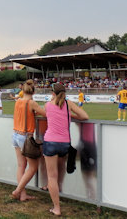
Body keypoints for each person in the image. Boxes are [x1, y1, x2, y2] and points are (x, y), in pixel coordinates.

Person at [43, 83, 88, 216]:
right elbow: (85, 116)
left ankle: (56, 208)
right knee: (59, 171)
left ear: (52, 93)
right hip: (64, 144)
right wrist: (71, 116)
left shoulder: (47, 104)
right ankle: (59, 191)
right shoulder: (69, 104)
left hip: (50, 142)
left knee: (52, 177)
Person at [11, 80, 46, 201]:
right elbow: (45, 114)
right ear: (34, 91)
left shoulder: (18, 102)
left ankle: (23, 195)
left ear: (23, 90)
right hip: (25, 137)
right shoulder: (32, 103)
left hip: (15, 134)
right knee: (33, 167)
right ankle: (18, 191)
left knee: (21, 166)